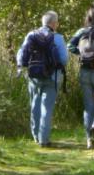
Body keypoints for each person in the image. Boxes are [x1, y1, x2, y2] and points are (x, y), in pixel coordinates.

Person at [16, 11, 67, 147]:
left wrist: (22, 66)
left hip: (34, 76)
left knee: (35, 105)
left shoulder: (31, 35)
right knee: (47, 107)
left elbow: (22, 52)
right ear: (54, 23)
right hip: (52, 77)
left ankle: (35, 136)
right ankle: (44, 140)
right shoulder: (58, 38)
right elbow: (64, 59)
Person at [66, 5, 94, 149]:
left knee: (88, 107)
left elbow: (70, 46)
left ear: (89, 17)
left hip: (84, 70)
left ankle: (89, 141)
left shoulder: (81, 31)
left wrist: (83, 55)